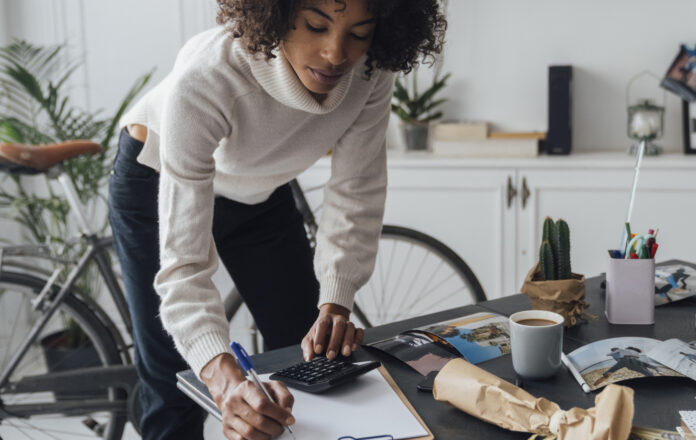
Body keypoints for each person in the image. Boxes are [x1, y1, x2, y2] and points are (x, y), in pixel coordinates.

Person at [107, 1, 446, 439]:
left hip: (259, 189)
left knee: (311, 354)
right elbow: (184, 269)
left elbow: (355, 189)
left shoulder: (372, 71)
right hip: (155, 176)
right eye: (316, 26)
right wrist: (224, 380)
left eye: (359, 33)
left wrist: (336, 301)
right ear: (276, 15)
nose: (336, 53)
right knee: (176, 376)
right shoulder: (207, 79)